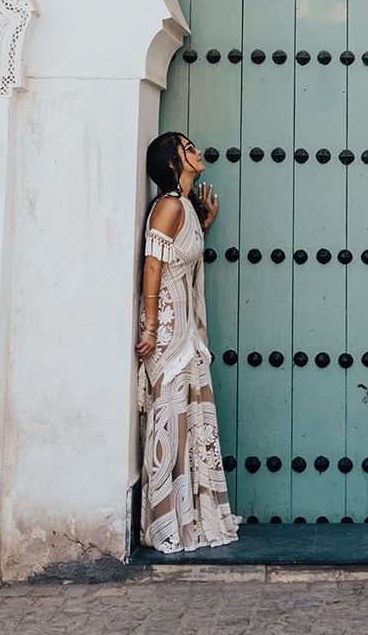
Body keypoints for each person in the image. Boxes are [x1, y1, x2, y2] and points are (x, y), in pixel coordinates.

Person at [137, 131, 240, 553]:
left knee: (187, 421)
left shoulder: (184, 208)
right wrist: (149, 326)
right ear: (173, 162)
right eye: (189, 148)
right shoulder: (167, 206)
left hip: (186, 333)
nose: (197, 152)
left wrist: (205, 223)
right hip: (169, 331)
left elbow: (181, 255)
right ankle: (167, 521)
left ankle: (190, 514)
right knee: (171, 422)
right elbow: (152, 266)